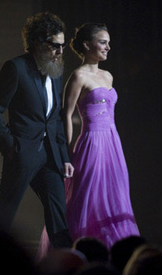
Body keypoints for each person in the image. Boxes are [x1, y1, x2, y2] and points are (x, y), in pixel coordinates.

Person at [37, 23, 139, 258]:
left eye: (108, 43)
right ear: (87, 45)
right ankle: (75, 257)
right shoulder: (78, 76)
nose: (108, 47)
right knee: (87, 200)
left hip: (113, 143)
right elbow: (66, 116)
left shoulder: (108, 75)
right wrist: (64, 156)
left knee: (115, 199)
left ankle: (117, 257)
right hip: (91, 144)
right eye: (103, 42)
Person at [0, 11, 74, 248]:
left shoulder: (55, 71)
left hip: (51, 155)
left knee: (58, 213)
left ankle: (65, 261)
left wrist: (64, 156)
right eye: (55, 46)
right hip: (22, 152)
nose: (61, 52)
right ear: (36, 43)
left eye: (63, 46)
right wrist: (9, 145)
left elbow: (54, 118)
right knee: (6, 207)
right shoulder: (15, 68)